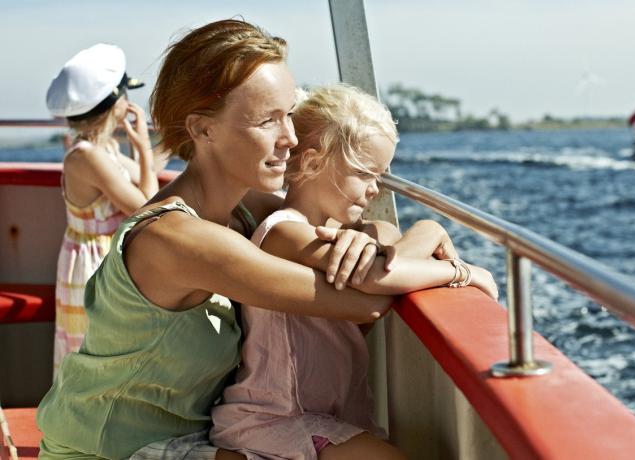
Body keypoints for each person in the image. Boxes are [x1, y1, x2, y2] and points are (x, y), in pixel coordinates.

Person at [36, 19, 408, 460]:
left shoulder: (251, 210)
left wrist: (379, 232)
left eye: (289, 113)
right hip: (110, 448)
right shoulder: (179, 239)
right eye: (268, 120)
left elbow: (354, 242)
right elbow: (365, 302)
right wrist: (440, 253)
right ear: (202, 129)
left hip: (194, 438)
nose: (289, 137)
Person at [209, 84, 498, 460]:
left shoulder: (355, 237)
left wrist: (426, 230)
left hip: (332, 416)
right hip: (277, 418)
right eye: (365, 174)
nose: (376, 190)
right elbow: (375, 277)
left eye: (381, 175)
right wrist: (461, 271)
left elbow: (387, 256)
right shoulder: (283, 233)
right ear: (313, 164)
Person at [45, 43, 161, 375]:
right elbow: (146, 206)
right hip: (93, 264)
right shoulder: (87, 156)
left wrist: (145, 154)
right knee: (95, 353)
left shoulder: (102, 148)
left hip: (101, 257)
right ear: (115, 103)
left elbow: (142, 180)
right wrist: (142, 145)